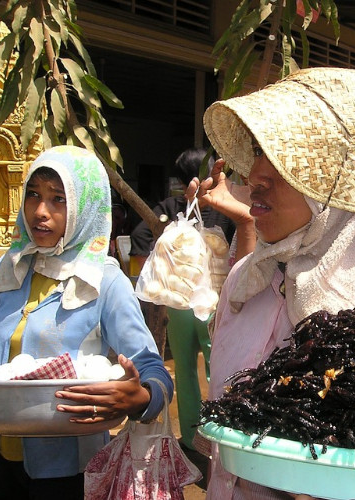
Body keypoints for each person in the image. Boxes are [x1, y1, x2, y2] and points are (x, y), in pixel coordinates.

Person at [194, 67, 355, 499]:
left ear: (339, 186)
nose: (256, 176)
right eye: (258, 152)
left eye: (285, 160)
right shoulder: (245, 281)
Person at [0, 146, 173, 500]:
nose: (40, 212)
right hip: (4, 463)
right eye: (33, 195)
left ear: (86, 207)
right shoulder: (9, 269)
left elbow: (152, 371)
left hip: (71, 473)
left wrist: (140, 397)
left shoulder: (103, 281)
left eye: (58, 200)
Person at [129, 147, 236, 451]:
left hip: (178, 303)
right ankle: (221, 439)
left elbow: (139, 237)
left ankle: (191, 438)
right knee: (219, 369)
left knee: (185, 370)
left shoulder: (171, 207)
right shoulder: (224, 206)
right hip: (214, 302)